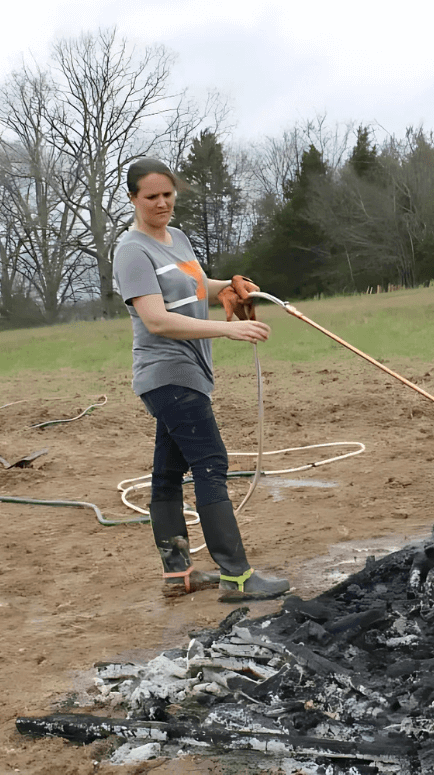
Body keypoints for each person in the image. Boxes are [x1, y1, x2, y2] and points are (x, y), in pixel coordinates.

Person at [112, 157, 290, 602]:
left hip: (191, 372)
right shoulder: (132, 251)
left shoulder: (179, 239)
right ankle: (237, 577)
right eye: (151, 197)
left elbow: (191, 288)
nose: (162, 203)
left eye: (168, 195)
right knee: (211, 463)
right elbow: (157, 320)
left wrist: (227, 287)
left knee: (168, 474)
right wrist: (228, 328)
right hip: (166, 373)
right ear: (133, 198)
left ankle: (179, 574)